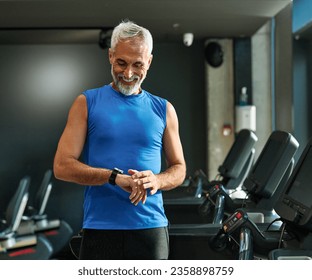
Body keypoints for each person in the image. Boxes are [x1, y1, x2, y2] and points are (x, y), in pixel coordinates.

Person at [53, 19, 186, 260]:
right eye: (121, 63)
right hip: (100, 230)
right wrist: (114, 178)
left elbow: (179, 169)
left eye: (138, 65)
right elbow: (62, 166)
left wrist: (157, 180)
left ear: (149, 62)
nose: (128, 73)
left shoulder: (164, 109)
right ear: (111, 56)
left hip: (150, 230)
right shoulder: (86, 103)